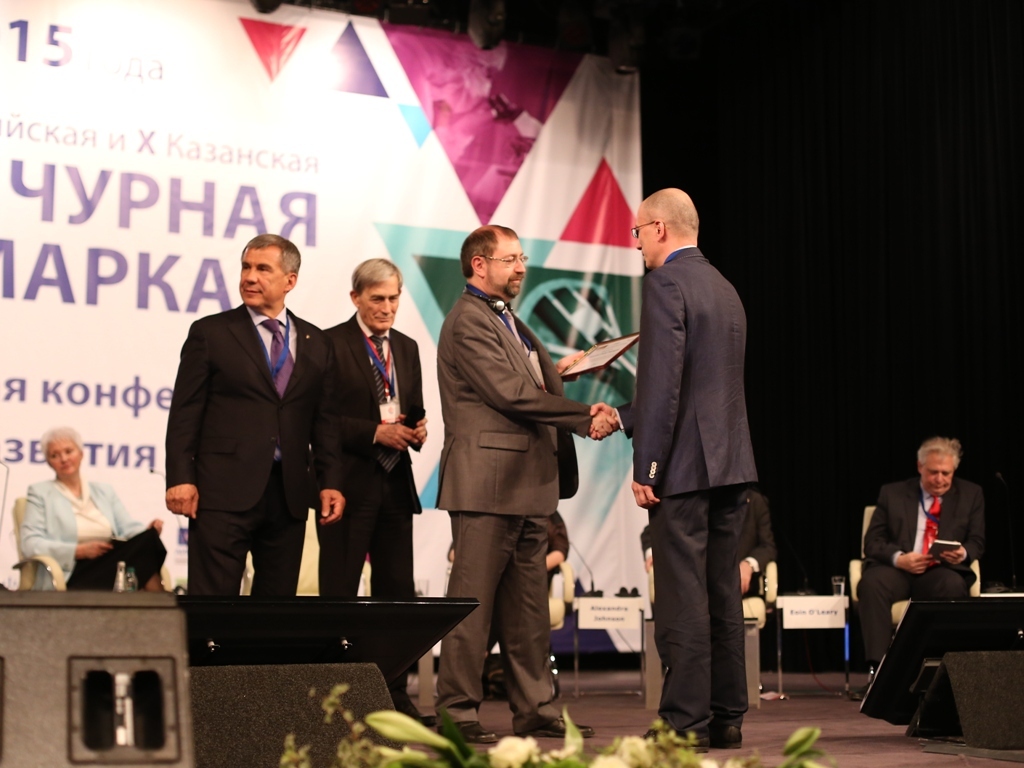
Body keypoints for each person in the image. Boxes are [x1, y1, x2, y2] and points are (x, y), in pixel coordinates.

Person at [434, 225, 617, 743]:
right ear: (479, 265)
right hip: (487, 486)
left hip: (529, 485)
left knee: (528, 612)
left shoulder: (506, 317)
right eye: (510, 259)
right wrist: (582, 416)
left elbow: (523, 383)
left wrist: (558, 374)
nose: (520, 268)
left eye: (522, 258)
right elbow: (509, 395)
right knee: (472, 610)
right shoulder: (468, 321)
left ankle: (536, 709)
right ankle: (457, 713)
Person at [617, 188, 757, 751]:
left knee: (681, 597)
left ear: (658, 228)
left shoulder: (665, 284)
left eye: (636, 232)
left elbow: (663, 385)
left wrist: (647, 466)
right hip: (731, 464)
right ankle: (726, 716)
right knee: (721, 591)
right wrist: (624, 416)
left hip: (683, 467)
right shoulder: (724, 287)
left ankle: (683, 724)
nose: (636, 244)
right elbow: (702, 384)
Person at [164, 234, 345, 596]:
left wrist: (331, 481)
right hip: (221, 492)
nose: (249, 277)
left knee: (275, 611)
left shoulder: (318, 343)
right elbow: (185, 413)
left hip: (289, 495)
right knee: (213, 607)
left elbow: (325, 422)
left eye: (263, 269)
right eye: (246, 267)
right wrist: (180, 477)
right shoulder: (211, 333)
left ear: (290, 281)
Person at [319, 258, 429, 722]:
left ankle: (394, 695)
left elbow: (410, 408)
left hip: (396, 484)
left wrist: (416, 430)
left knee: (397, 597)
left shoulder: (406, 346)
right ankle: (334, 697)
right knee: (340, 593)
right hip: (348, 485)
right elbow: (321, 421)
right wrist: (373, 432)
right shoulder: (330, 343)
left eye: (393, 298)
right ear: (356, 298)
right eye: (377, 298)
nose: (387, 307)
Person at [852, 436, 985, 700]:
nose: (940, 479)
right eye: (933, 472)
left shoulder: (971, 494)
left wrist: (962, 553)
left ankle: (942, 675)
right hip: (899, 570)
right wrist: (899, 558)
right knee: (871, 583)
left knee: (952, 584)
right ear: (920, 467)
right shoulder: (892, 493)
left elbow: (977, 542)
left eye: (946, 473)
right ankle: (879, 675)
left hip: (941, 570)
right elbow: (873, 541)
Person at [21, 427, 166, 591]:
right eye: (55, 455)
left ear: (81, 453)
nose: (64, 459)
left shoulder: (104, 491)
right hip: (72, 571)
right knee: (145, 557)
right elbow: (30, 543)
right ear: (48, 462)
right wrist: (78, 551)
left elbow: (128, 527)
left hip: (108, 562)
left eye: (68, 451)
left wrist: (148, 531)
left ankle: (159, 602)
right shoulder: (40, 493)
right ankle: (162, 602)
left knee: (148, 540)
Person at [642, 487, 776, 598]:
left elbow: (767, 546)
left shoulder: (754, 501)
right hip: (694, 582)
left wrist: (748, 564)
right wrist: (653, 553)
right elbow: (650, 533)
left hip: (736, 587)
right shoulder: (692, 496)